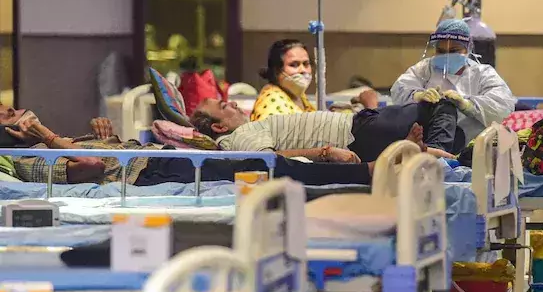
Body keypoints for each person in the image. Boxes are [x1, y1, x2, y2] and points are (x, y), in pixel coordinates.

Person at [0, 106, 376, 186]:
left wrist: (104, 134)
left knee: (263, 168)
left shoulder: (44, 146)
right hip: (152, 174)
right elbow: (92, 166)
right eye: (11, 114)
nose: (22, 111)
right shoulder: (27, 160)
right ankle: (365, 176)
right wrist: (44, 134)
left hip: (160, 160)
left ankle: (361, 175)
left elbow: (99, 153)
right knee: (263, 171)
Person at [191, 98, 458, 163]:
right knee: (442, 105)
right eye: (225, 106)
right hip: (356, 132)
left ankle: (435, 154)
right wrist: (326, 152)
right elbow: (270, 159)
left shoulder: (246, 132)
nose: (234, 104)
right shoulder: (239, 137)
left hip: (357, 131)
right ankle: (437, 154)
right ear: (219, 126)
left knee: (451, 132)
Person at [390, 19, 517, 152]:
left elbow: (502, 104)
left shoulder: (482, 74)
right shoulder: (425, 69)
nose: (447, 56)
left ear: (467, 48)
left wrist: (468, 105)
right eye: (441, 51)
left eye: (454, 50)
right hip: (427, 143)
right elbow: (400, 88)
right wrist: (417, 95)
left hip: (472, 148)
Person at [252, 39, 379, 121]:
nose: (303, 70)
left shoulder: (298, 98)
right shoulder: (272, 101)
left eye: (306, 64)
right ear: (276, 70)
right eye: (294, 65)